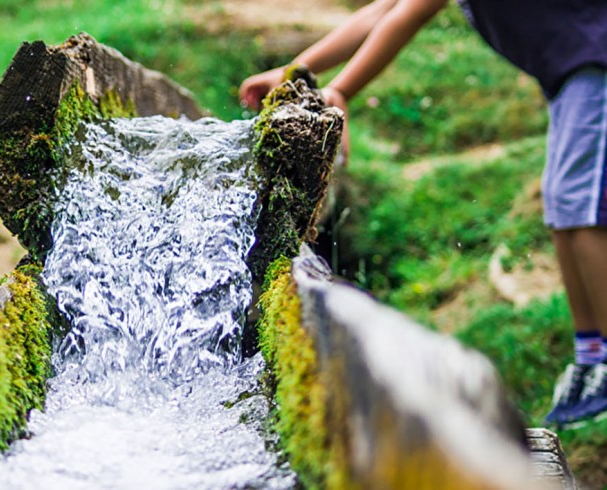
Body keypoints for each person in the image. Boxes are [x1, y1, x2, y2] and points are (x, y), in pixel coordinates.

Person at [239, 0, 607, 425]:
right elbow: (382, 10)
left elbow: (406, 16)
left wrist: (342, 90)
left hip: (594, 67)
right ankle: (590, 357)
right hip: (573, 75)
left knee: (581, 213)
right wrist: (295, 72)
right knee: (563, 211)